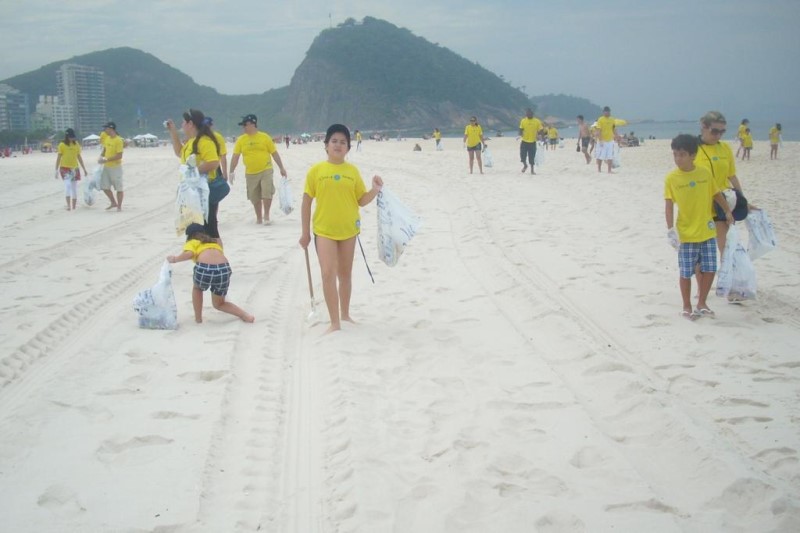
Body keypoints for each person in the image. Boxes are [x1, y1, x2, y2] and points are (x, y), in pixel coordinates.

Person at [299, 124, 383, 334]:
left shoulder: (352, 171)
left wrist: (374, 190)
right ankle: (334, 322)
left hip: (348, 230)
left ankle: (345, 314)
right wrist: (305, 233)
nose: (338, 145)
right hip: (324, 230)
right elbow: (306, 202)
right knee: (328, 273)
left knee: (345, 274)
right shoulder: (316, 171)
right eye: (334, 141)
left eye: (343, 142)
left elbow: (361, 200)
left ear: (348, 148)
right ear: (326, 145)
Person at [665, 134, 733, 320]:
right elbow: (669, 204)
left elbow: (716, 194)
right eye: (675, 154)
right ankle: (687, 306)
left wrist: (727, 211)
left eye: (682, 154)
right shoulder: (671, 178)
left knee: (710, 269)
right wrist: (670, 229)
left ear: (693, 155)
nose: (678, 158)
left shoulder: (704, 173)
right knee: (686, 272)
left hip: (707, 231)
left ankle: (702, 303)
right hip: (686, 233)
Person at [167, 223, 254, 324]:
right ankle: (245, 315)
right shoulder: (213, 243)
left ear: (189, 236)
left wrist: (175, 259)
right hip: (224, 269)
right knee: (219, 304)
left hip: (205, 268)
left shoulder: (192, 242)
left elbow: (189, 253)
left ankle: (198, 318)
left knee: (197, 288)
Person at [693, 110, 749, 256]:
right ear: (703, 126)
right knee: (701, 254)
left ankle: (727, 272)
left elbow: (732, 176)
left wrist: (743, 200)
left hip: (722, 204)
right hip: (700, 206)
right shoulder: (692, 149)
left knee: (726, 250)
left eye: (722, 132)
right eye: (714, 131)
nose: (718, 135)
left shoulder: (725, 148)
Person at [166, 109, 226, 240]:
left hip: (203, 193)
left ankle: (217, 253)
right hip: (191, 194)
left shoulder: (204, 141)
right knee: (194, 232)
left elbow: (213, 162)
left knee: (210, 231)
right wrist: (173, 132)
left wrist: (193, 172)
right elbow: (179, 152)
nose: (182, 125)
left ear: (191, 124)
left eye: (184, 122)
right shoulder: (191, 141)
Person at [229, 114, 288, 225]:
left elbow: (274, 153)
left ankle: (266, 215)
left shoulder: (265, 137)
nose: (243, 128)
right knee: (254, 197)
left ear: (252, 124)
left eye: (245, 125)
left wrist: (281, 168)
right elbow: (235, 157)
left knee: (267, 191)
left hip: (266, 169)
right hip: (250, 172)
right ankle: (259, 217)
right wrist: (231, 171)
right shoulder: (241, 140)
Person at [54, 128, 88, 211]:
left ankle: (74, 206)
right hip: (64, 168)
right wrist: (56, 170)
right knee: (67, 185)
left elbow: (79, 157)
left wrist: (84, 169)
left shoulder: (76, 144)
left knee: (74, 188)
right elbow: (59, 157)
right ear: (67, 136)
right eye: (70, 137)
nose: (72, 138)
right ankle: (68, 205)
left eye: (73, 137)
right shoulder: (62, 145)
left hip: (74, 168)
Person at [99, 121, 124, 210]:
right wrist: (101, 157)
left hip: (116, 167)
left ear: (111, 129)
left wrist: (107, 159)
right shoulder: (107, 138)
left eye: (106, 128)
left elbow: (119, 155)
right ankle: (113, 202)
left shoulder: (118, 140)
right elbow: (105, 149)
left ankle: (119, 206)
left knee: (119, 188)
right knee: (104, 186)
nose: (104, 130)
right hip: (106, 167)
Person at [594, 106, 626, 173]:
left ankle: (609, 170)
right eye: (606, 112)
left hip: (610, 140)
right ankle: (599, 169)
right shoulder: (600, 119)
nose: (607, 113)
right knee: (600, 155)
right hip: (602, 140)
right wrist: (600, 140)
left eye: (608, 112)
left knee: (610, 155)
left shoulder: (612, 119)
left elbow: (614, 129)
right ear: (603, 112)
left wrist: (617, 137)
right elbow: (598, 130)